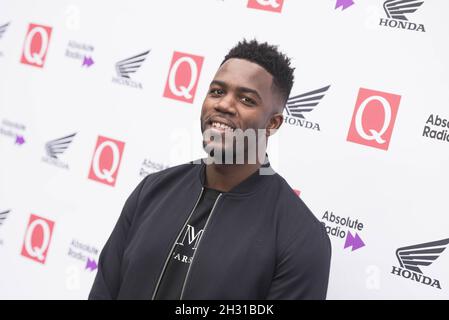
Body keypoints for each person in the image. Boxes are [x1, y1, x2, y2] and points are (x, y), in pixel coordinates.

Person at [89, 39, 331, 300]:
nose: (224, 105)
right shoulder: (152, 190)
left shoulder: (300, 237)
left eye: (246, 99)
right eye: (217, 92)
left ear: (272, 123)